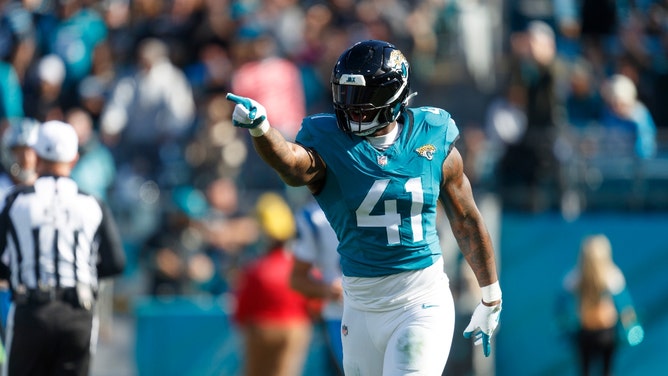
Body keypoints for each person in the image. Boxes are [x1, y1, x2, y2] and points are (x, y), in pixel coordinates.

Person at [227, 39, 502, 375]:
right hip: (359, 306)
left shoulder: (432, 134)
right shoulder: (329, 141)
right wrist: (262, 130)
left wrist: (491, 293)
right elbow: (292, 166)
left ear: (392, 94)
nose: (351, 107)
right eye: (345, 94)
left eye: (361, 98)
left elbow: (465, 218)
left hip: (420, 300)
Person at [0, 120, 126, 376]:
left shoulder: (17, 201)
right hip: (77, 312)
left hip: (31, 309)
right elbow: (115, 263)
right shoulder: (92, 203)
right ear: (74, 159)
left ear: (35, 156)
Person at [233, 192, 312, 376]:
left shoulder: (257, 270)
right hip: (295, 326)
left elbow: (241, 310)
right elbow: (313, 302)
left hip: (261, 328)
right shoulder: (294, 266)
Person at [559, 234, 644, 376]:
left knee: (591, 370)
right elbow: (626, 307)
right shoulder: (610, 275)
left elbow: (562, 307)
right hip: (598, 332)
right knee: (604, 371)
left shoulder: (576, 277)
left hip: (594, 332)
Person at [290, 200, 344, 375]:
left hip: (395, 305)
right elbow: (297, 279)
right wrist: (327, 290)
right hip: (342, 315)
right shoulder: (314, 216)